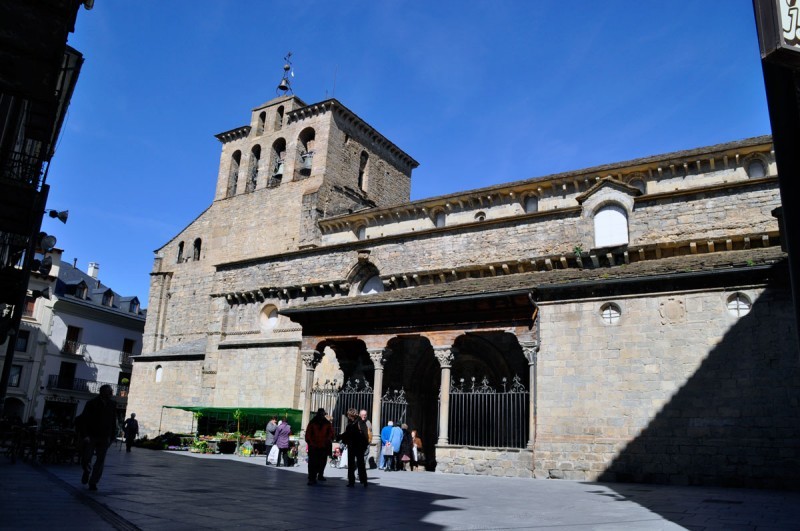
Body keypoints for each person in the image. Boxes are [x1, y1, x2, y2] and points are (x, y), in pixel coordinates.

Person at [75, 384, 118, 491]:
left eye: (110, 392)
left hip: (105, 437)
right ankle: (86, 471)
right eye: (108, 392)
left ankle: (93, 482)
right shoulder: (91, 403)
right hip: (91, 436)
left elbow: (113, 421)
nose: (110, 394)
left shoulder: (112, 404)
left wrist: (112, 436)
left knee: (100, 460)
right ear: (102, 392)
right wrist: (85, 435)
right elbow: (84, 420)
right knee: (86, 458)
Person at [337, 408, 367, 488]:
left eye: (348, 415)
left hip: (359, 446)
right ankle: (351, 481)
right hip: (351, 446)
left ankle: (363, 480)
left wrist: (364, 446)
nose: (348, 417)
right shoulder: (350, 423)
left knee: (360, 464)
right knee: (351, 464)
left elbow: (365, 435)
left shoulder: (360, 422)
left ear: (351, 415)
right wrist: (339, 437)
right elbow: (347, 434)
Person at [305, 408, 334, 485]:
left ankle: (318, 475)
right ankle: (312, 477)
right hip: (315, 446)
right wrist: (310, 442)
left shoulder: (326, 423)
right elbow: (308, 434)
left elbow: (331, 434)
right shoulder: (313, 422)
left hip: (321, 446)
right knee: (314, 462)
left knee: (319, 462)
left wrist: (327, 441)